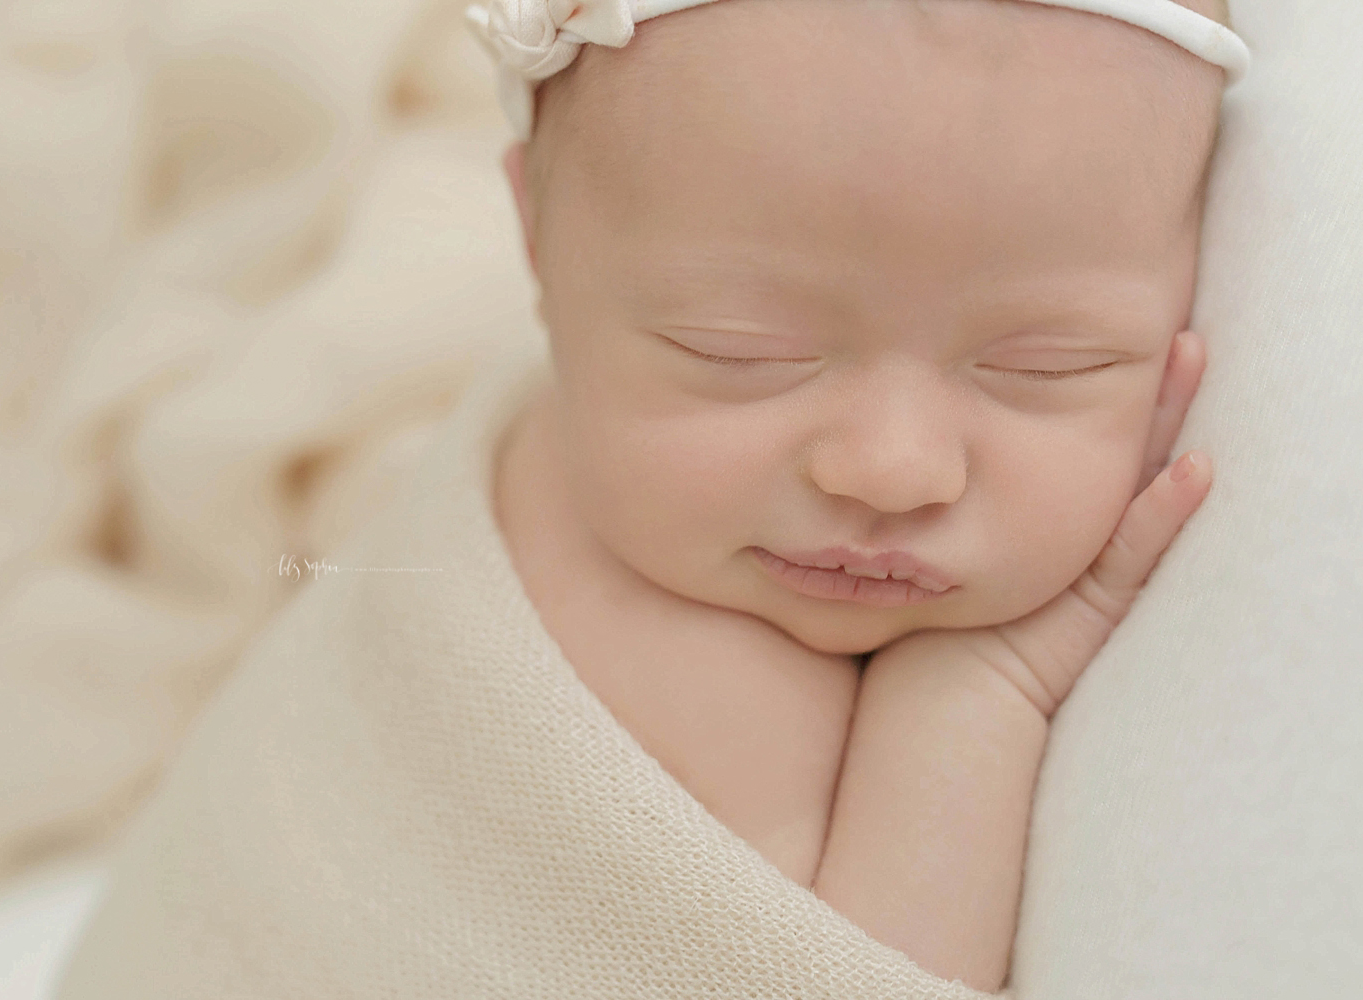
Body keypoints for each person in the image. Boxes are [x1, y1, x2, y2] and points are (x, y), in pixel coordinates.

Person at [482, 0, 1241, 989]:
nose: (893, 470)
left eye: (1046, 367)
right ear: (536, 236)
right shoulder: (680, 674)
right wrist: (982, 687)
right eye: (739, 351)